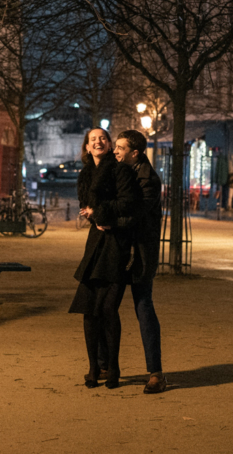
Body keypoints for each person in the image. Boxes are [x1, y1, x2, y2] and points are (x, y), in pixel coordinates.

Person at [70, 127, 137, 389]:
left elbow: (127, 203)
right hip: (96, 244)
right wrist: (91, 214)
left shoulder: (120, 171)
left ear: (109, 145)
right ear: (87, 147)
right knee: (89, 308)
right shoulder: (85, 175)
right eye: (93, 139)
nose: (98, 142)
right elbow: (85, 204)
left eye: (103, 138)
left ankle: (113, 367)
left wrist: (101, 213)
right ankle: (93, 367)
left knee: (108, 308)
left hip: (115, 243)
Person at [114, 129, 166, 394]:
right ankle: (105, 365)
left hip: (140, 251)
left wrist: (104, 219)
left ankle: (155, 371)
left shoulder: (148, 179)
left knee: (143, 305)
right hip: (116, 248)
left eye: (120, 148)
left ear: (135, 153)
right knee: (104, 305)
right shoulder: (118, 171)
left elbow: (134, 214)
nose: (115, 151)